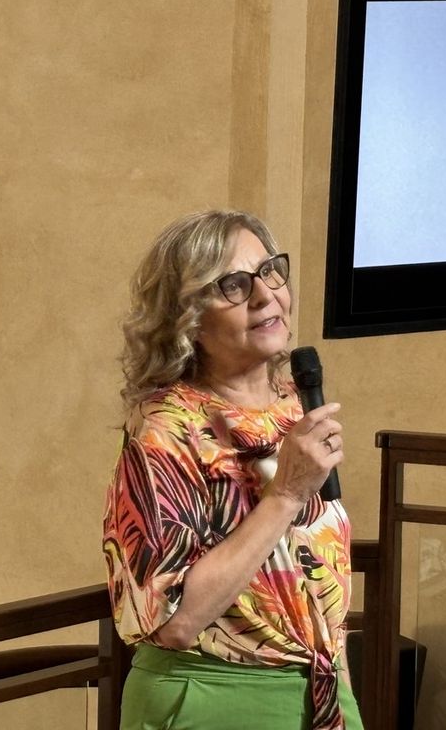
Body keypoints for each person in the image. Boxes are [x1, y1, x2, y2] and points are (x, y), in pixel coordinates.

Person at [102, 209, 363, 730]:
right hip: (208, 698)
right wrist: (285, 495)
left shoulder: (293, 408)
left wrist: (344, 699)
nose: (265, 295)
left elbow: (319, 586)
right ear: (188, 318)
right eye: (234, 285)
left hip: (321, 693)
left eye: (269, 272)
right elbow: (174, 622)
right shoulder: (167, 428)